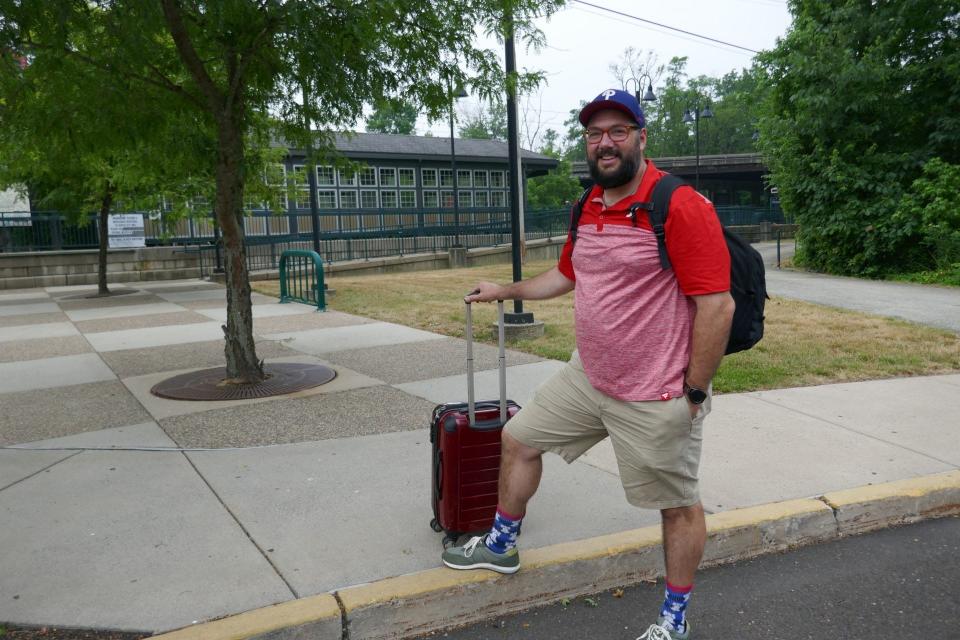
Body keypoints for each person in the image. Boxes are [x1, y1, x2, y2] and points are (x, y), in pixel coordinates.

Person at [440, 89, 734, 640]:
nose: (605, 143)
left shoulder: (679, 205)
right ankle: (502, 544)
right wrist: (501, 290)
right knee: (519, 437)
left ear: (641, 137)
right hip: (589, 376)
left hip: (655, 393)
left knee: (676, 505)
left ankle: (675, 619)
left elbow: (717, 305)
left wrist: (694, 392)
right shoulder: (588, 205)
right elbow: (567, 276)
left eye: (618, 131)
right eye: (595, 134)